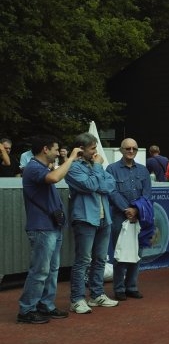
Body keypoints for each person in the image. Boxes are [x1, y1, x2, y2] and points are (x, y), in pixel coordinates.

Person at [16, 136, 82, 324]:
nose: (58, 152)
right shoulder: (33, 167)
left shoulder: (42, 167)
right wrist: (71, 158)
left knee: (52, 270)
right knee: (40, 270)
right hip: (41, 227)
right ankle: (27, 310)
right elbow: (54, 178)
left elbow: (54, 175)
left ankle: (45, 305)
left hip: (51, 225)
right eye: (56, 149)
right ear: (45, 149)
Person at [66, 132, 119, 314]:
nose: (96, 152)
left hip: (104, 218)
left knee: (100, 259)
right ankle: (77, 299)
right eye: (92, 148)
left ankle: (97, 295)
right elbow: (89, 186)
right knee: (83, 260)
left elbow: (110, 184)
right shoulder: (73, 167)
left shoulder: (95, 166)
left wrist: (96, 179)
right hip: (85, 218)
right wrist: (97, 169)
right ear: (81, 149)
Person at [106, 138, 152, 301]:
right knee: (120, 253)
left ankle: (131, 287)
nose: (131, 151)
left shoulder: (143, 170)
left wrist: (136, 210)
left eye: (134, 148)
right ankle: (119, 288)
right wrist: (127, 209)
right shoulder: (111, 169)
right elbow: (111, 192)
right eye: (127, 148)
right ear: (121, 150)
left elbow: (147, 193)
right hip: (120, 217)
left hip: (139, 216)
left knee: (137, 253)